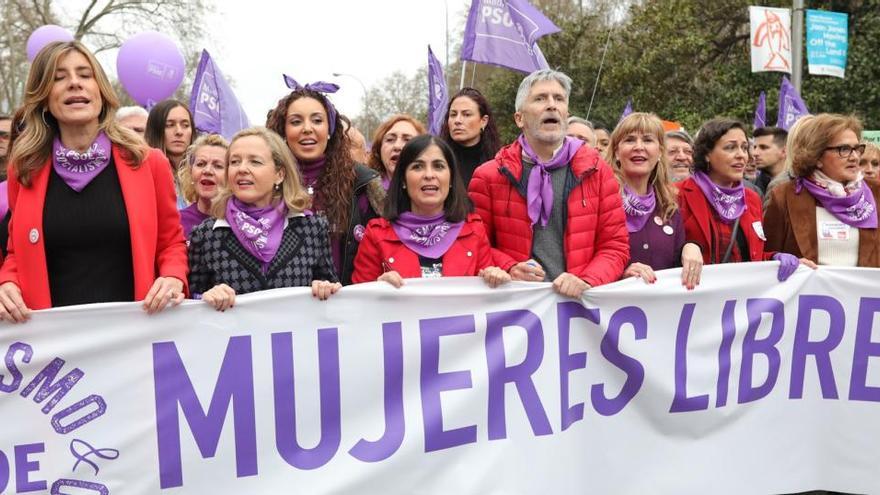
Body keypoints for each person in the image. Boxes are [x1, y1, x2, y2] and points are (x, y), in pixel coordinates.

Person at [0, 41, 188, 322]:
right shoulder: (25, 169)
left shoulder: (148, 163)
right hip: (54, 348)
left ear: (100, 90)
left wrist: (173, 277)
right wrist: (7, 283)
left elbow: (172, 243)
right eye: (59, 78)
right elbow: (17, 252)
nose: (75, 84)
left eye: (85, 75)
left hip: (132, 338)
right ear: (44, 98)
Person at [468, 69, 629, 298]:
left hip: (578, 307)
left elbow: (615, 246)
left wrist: (586, 279)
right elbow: (475, 244)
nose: (552, 105)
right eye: (540, 98)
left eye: (559, 99)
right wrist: (509, 267)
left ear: (566, 113)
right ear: (519, 118)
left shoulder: (597, 171)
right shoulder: (489, 176)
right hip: (517, 306)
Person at [188, 127, 340, 310]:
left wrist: (326, 288)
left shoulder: (312, 229)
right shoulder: (206, 236)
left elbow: (332, 292)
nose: (242, 169)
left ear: (279, 174)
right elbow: (190, 301)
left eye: (255, 162)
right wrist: (205, 297)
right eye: (235, 162)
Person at [266, 81, 384, 285]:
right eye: (296, 122)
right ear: (283, 131)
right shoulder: (266, 182)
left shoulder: (361, 183)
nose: (307, 129)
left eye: (317, 120)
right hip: (286, 307)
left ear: (329, 129)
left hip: (348, 307)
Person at [353, 135, 510, 287]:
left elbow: (486, 304)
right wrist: (376, 289)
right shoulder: (376, 234)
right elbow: (359, 302)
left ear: (451, 178)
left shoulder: (473, 230)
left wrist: (494, 279)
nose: (429, 175)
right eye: (417, 166)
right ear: (403, 180)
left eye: (438, 166)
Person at [677, 117, 809, 279]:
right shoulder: (677, 195)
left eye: (744, 147)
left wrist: (774, 259)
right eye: (730, 148)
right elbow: (664, 256)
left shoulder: (752, 198)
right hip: (697, 299)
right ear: (706, 154)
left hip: (740, 300)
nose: (741, 155)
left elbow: (753, 258)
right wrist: (687, 247)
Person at [764, 113, 879, 267]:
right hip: (808, 291)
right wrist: (777, 260)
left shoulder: (875, 193)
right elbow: (765, 255)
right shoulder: (784, 196)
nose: (854, 157)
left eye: (857, 148)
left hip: (864, 291)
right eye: (844, 149)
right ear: (816, 157)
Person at [606, 113, 703, 289]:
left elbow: (676, 263)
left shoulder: (669, 206)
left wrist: (691, 246)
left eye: (648, 140)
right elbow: (584, 261)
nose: (639, 147)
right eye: (630, 140)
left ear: (659, 152)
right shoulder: (601, 201)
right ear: (616, 153)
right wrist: (621, 275)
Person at [440, 87, 501, 186]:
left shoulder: (499, 163)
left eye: (466, 114)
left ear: (483, 121)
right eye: (453, 114)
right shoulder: (437, 158)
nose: (457, 120)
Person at [145, 99, 195, 208]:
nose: (179, 132)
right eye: (169, 125)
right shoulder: (145, 174)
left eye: (185, 125)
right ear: (155, 130)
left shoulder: (199, 174)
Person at [178, 134, 228, 237]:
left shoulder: (241, 223)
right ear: (191, 172)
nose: (207, 171)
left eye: (218, 166)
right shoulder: (177, 221)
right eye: (201, 164)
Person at [369, 114, 425, 188]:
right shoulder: (363, 194)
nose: (397, 146)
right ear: (379, 149)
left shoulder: (432, 193)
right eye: (390, 139)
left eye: (407, 140)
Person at [752, 126, 788, 195]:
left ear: (784, 151)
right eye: (755, 147)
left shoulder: (800, 186)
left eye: (763, 147)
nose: (755, 153)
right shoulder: (750, 188)